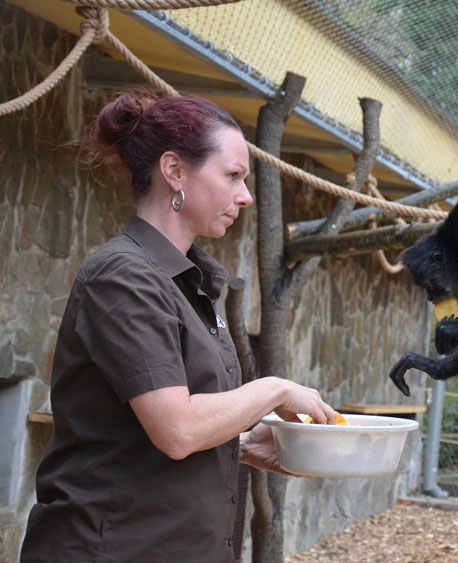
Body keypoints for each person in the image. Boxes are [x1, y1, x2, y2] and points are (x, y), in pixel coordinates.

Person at [20, 92, 338, 562]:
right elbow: (176, 429)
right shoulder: (123, 276)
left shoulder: (189, 283)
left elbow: (155, 429)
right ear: (175, 171)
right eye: (232, 176)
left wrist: (245, 444)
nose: (246, 196)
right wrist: (274, 389)